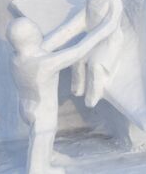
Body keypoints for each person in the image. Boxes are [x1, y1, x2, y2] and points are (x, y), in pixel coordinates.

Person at [8, 16, 113, 174]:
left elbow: (46, 47)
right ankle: (38, 168)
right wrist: (104, 29)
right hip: (43, 110)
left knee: (41, 136)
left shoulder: (16, 59)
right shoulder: (45, 63)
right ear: (32, 36)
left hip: (26, 106)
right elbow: (78, 51)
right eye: (34, 28)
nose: (38, 30)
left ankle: (47, 155)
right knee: (42, 134)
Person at [43, 0, 126, 108]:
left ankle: (94, 94)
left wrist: (85, 43)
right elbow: (72, 27)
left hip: (109, 42)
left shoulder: (114, 1)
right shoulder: (90, 3)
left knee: (95, 65)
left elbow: (109, 25)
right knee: (78, 59)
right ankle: (78, 87)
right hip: (91, 41)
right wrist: (46, 45)